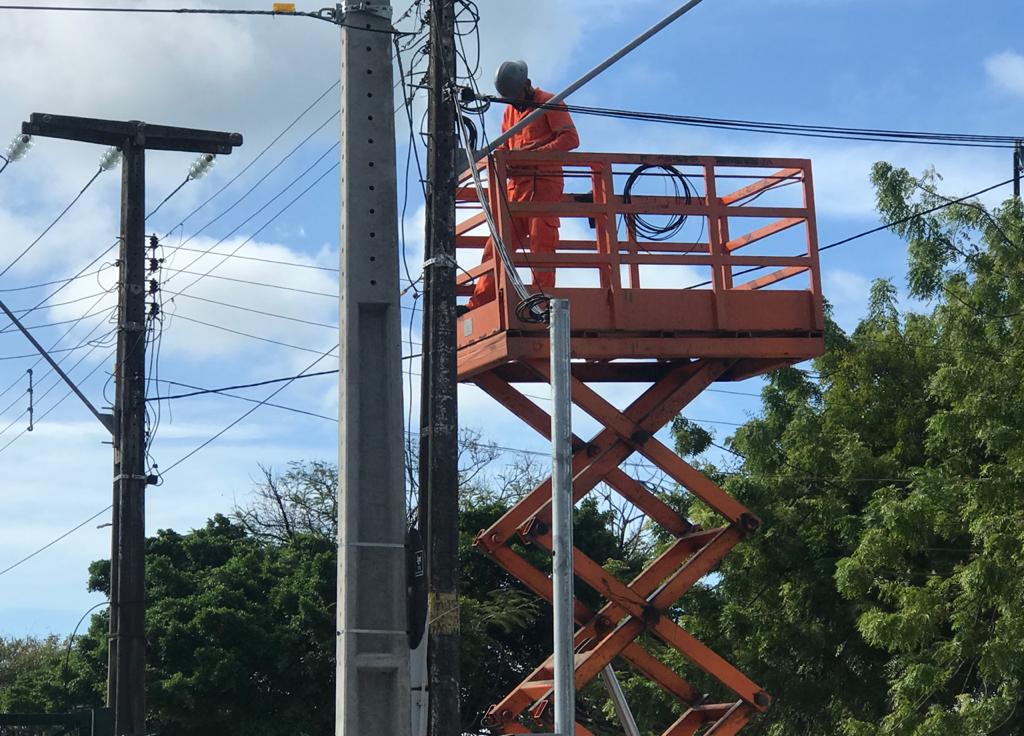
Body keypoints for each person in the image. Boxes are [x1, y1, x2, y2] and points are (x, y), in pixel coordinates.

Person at [464, 60, 580, 310]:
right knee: (496, 246)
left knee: (542, 244)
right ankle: (479, 303)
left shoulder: (549, 101)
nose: (514, 103)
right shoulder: (510, 111)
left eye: (515, 97)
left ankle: (542, 300)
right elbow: (507, 144)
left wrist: (535, 153)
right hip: (516, 189)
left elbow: (570, 139)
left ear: (527, 85)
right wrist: (500, 156)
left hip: (544, 187)